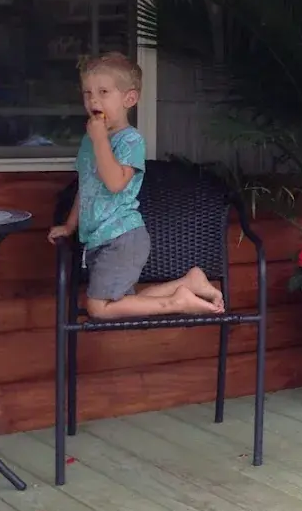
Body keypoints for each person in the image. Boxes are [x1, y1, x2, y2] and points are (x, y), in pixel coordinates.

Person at [47, 52, 223, 319]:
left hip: (121, 238)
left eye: (103, 92)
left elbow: (115, 183)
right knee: (125, 302)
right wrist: (70, 226)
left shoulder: (130, 140)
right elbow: (87, 186)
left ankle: (178, 302)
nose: (93, 100)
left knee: (98, 308)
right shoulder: (89, 142)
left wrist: (100, 141)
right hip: (98, 239)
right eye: (87, 93)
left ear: (129, 99)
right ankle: (188, 284)